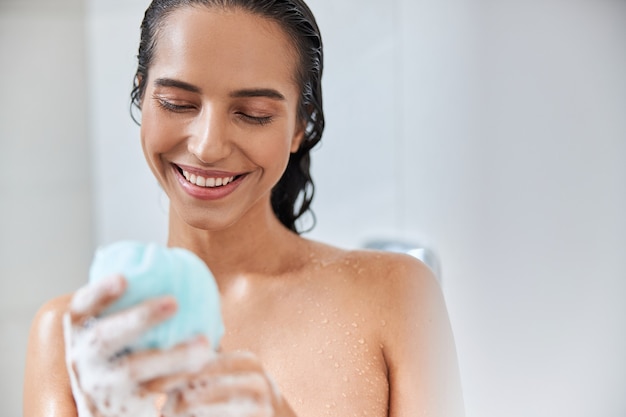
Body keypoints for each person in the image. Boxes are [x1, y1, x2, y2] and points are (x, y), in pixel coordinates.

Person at [23, 0, 464, 416]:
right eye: (178, 103)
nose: (208, 145)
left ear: (299, 125)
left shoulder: (397, 296)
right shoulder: (73, 337)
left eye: (253, 113)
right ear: (142, 96)